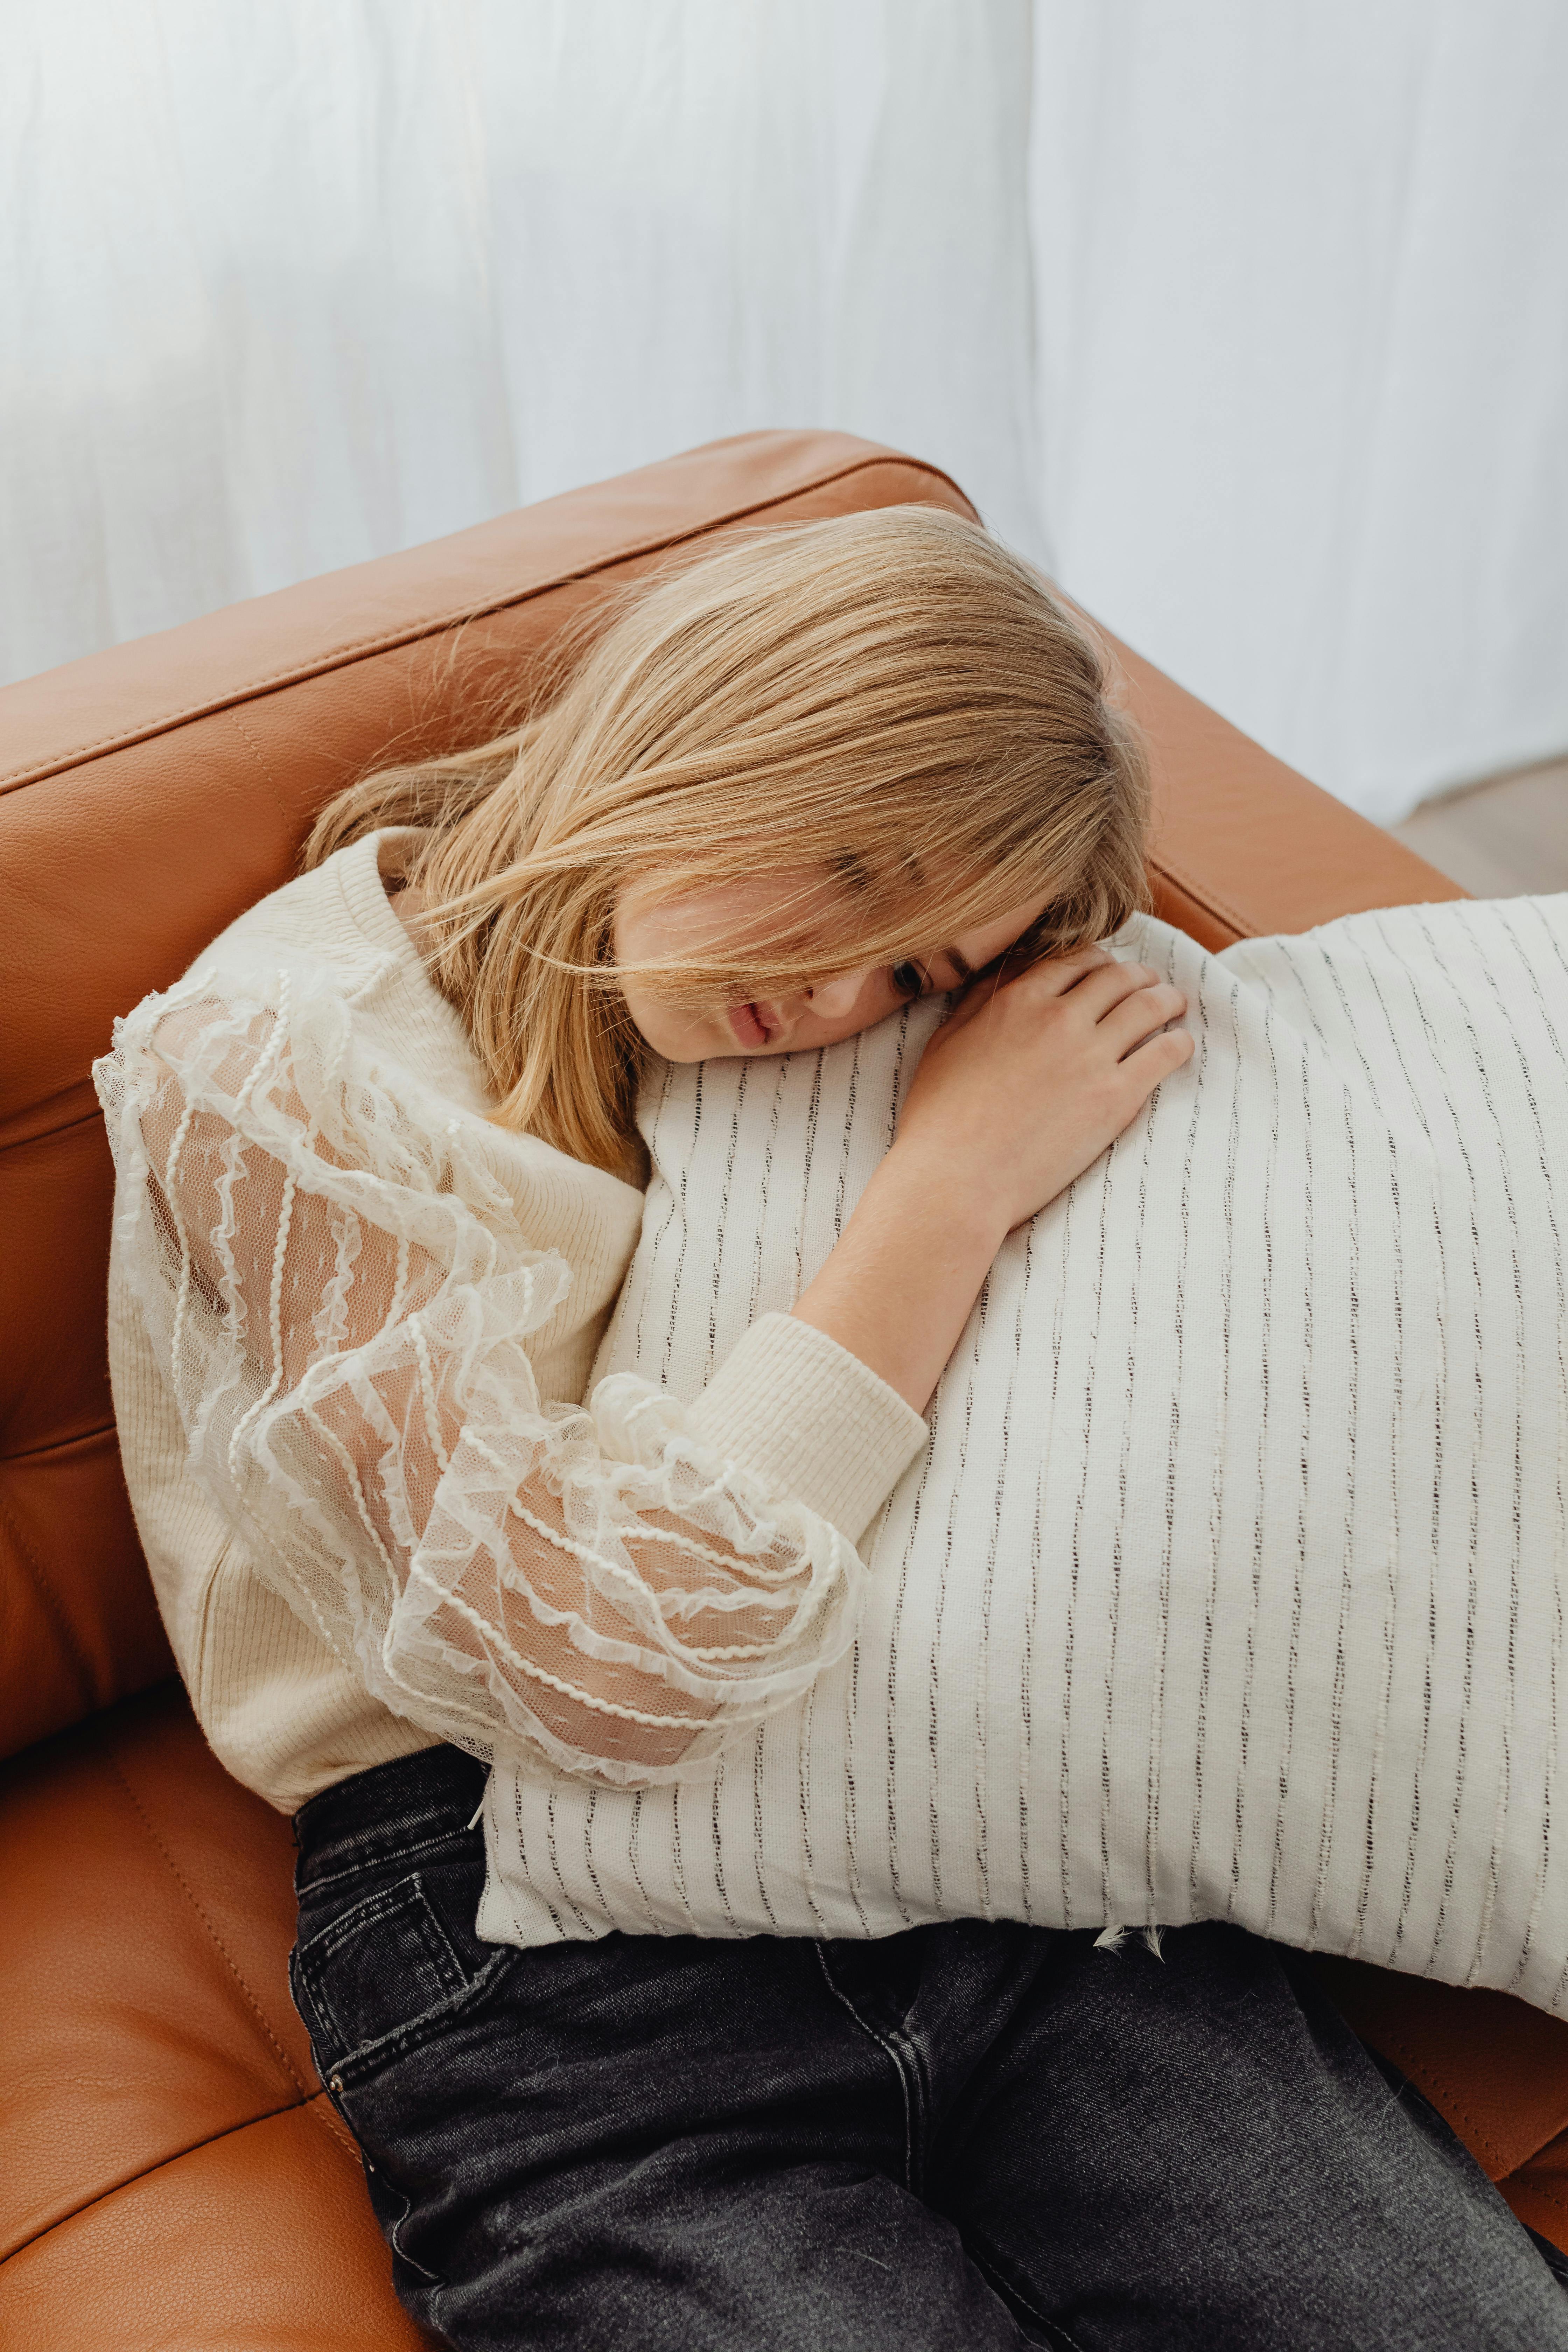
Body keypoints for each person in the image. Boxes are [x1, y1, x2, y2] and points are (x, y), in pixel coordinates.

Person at [95, 508, 1568, 2350]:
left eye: (924, 975)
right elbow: (575, 1666)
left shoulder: (796, 1048)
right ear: (726, 724)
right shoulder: (281, 1065)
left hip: (1004, 1870)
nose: (844, 990)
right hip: (528, 1948)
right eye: (856, 867)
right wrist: (943, 1193)